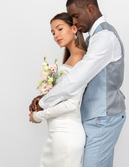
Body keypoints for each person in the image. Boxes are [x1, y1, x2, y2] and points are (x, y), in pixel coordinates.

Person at [30, 0, 126, 167]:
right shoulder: (93, 40)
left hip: (103, 117)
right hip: (92, 118)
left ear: (90, 8)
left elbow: (76, 80)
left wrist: (43, 104)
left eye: (75, 16)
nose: (74, 22)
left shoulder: (104, 37)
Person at [29, 12, 87, 167]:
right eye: (53, 32)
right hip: (57, 134)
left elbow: (71, 104)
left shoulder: (80, 58)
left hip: (67, 135)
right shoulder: (69, 58)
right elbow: (61, 96)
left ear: (74, 28)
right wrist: (42, 99)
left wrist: (38, 115)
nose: (56, 35)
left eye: (60, 29)